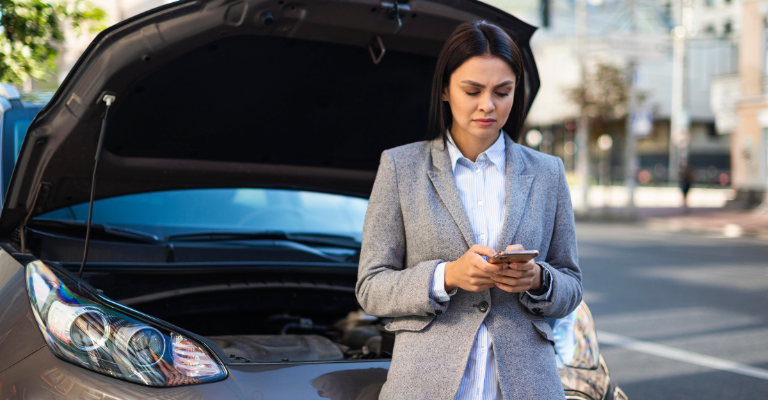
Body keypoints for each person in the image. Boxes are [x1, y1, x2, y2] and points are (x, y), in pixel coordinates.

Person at [355, 21, 583, 400]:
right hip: (425, 384)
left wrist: (539, 280)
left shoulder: (548, 173)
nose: (488, 105)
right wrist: (447, 275)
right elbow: (371, 287)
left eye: (503, 92)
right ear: (445, 89)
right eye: (472, 90)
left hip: (526, 385)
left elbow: (572, 286)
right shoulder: (401, 167)